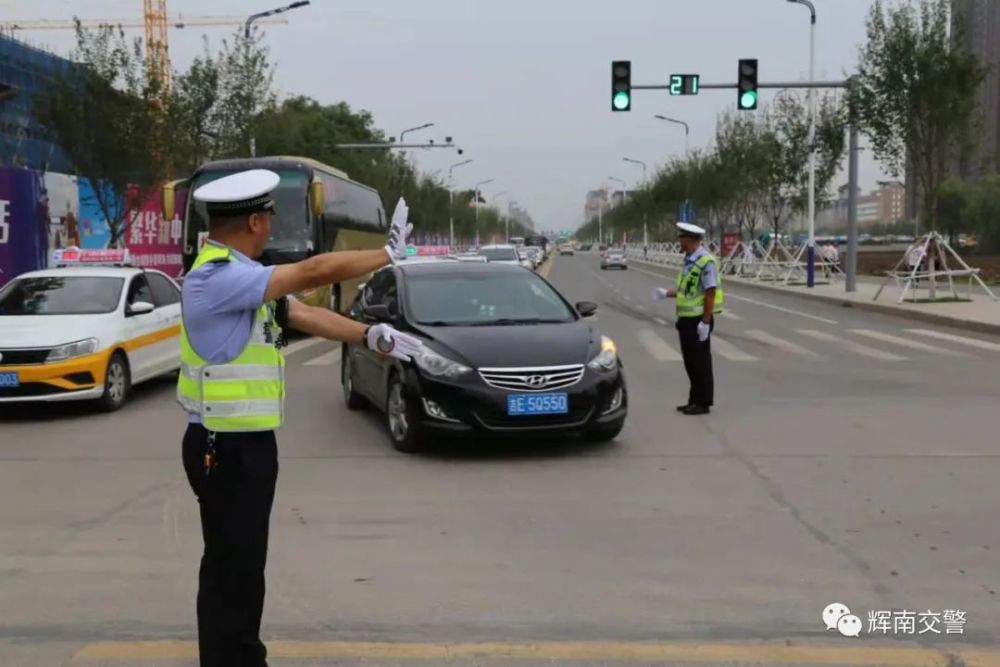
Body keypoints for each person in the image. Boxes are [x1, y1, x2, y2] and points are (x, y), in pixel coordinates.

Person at [177, 169, 422, 666]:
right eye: (267, 218)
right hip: (222, 446)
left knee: (243, 564)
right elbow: (313, 272)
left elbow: (304, 315)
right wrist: (386, 255)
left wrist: (367, 335)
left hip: (244, 444)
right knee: (232, 566)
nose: (269, 227)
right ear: (252, 221)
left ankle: (240, 656)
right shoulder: (216, 277)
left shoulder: (243, 280)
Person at [653, 222, 725, 415]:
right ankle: (693, 400)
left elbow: (710, 293)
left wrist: (706, 322)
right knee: (691, 362)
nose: (680, 242)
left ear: (691, 240)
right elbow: (688, 291)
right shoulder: (690, 261)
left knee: (700, 362)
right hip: (686, 320)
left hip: (697, 320)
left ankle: (703, 403)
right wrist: (666, 293)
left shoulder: (705, 262)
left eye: (682, 238)